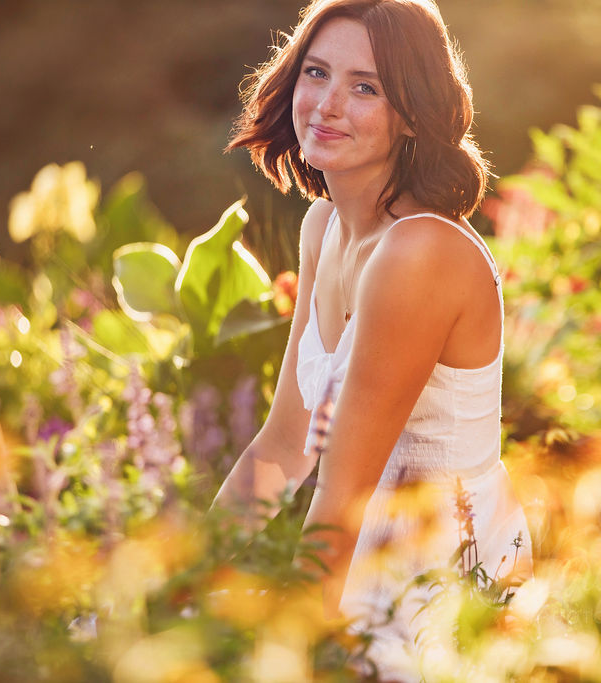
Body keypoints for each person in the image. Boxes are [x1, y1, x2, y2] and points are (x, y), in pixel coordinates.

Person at [211, 0, 532, 678]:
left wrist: (283, 654)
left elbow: (344, 490)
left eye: (366, 87)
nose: (327, 104)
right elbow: (284, 446)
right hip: (358, 537)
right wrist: (184, 580)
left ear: (411, 112)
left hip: (437, 573)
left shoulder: (417, 252)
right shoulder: (323, 226)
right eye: (317, 73)